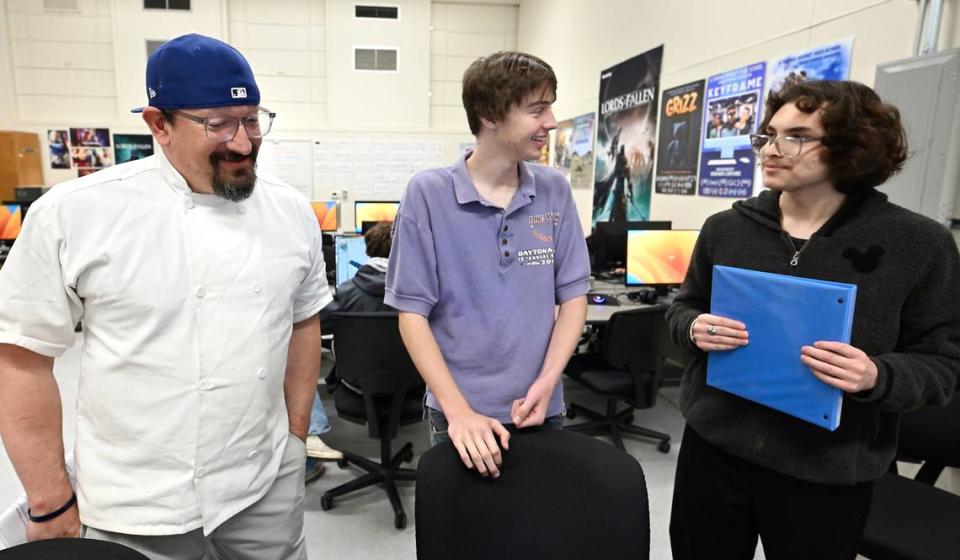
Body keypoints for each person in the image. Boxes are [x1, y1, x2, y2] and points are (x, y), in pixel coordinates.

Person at [0, 33, 331, 559]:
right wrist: (49, 500)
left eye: (251, 119)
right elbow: (21, 358)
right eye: (217, 123)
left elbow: (303, 321)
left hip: (263, 480)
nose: (243, 142)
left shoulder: (290, 213)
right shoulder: (77, 213)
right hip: (133, 501)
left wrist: (293, 438)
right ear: (160, 125)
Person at [666, 75, 960, 559]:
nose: (771, 148)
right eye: (768, 134)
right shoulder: (727, 229)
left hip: (826, 467)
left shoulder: (919, 245)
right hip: (714, 447)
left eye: (798, 137)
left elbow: (942, 362)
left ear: (852, 147)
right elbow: (683, 307)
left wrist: (877, 375)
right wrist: (695, 328)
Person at [385, 51, 590, 479]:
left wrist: (548, 382)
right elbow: (411, 316)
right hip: (459, 415)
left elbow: (573, 297)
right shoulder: (428, 194)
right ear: (489, 115)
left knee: (538, 531)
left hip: (542, 407)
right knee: (469, 535)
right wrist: (459, 413)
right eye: (538, 109)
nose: (551, 122)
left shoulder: (553, 189)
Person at [304, 220, 396, 475]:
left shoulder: (347, 293)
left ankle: (311, 435)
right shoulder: (416, 293)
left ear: (367, 250)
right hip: (412, 390)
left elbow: (317, 324)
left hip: (356, 387)